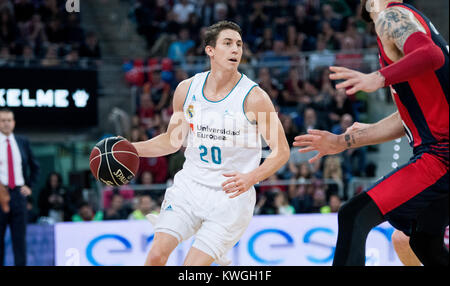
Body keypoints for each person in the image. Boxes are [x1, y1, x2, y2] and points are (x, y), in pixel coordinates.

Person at [294, 0, 448, 266]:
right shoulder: (403, 28)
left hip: (441, 155)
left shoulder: (393, 15)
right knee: (422, 239)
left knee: (354, 214)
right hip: (438, 151)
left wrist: (377, 77)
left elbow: (432, 55)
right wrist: (343, 141)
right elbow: (408, 119)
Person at [132, 21, 290, 266]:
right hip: (190, 187)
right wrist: (131, 149)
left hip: (230, 196)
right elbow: (172, 142)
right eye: (227, 43)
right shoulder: (186, 89)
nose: (235, 49)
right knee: (155, 257)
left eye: (238, 44)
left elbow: (281, 151)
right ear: (210, 50)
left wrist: (252, 178)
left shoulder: (256, 98)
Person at [0, 108, 40, 266]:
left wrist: (29, 186)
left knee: (19, 241)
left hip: (18, 195)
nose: (6, 123)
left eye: (9, 120)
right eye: (2, 120)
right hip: (0, 194)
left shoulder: (22, 142)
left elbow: (35, 167)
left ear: (14, 123)